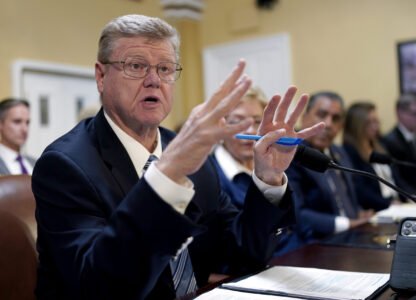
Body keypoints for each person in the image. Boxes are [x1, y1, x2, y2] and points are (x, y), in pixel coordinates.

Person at [32, 14, 324, 300]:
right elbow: (100, 288)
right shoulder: (65, 165)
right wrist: (167, 175)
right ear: (101, 76)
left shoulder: (190, 152)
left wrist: (268, 177)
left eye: (165, 68)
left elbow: (244, 251)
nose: (153, 80)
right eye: (136, 66)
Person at [286, 91, 373, 241]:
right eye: (322, 114)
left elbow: (346, 197)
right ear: (305, 117)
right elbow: (296, 212)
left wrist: (358, 212)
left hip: (351, 234)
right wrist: (347, 223)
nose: (328, 124)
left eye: (336, 118)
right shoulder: (290, 153)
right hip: (316, 241)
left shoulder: (339, 151)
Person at [343, 102, 400, 210]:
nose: (375, 126)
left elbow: (396, 178)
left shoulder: (380, 145)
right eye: (369, 122)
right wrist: (388, 204)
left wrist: (407, 197)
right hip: (378, 209)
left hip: (397, 205)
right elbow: (361, 191)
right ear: (357, 125)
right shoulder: (349, 151)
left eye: (376, 121)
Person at [381, 94, 416, 195]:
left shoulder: (412, 136)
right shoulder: (389, 141)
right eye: (414, 113)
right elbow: (398, 178)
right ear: (400, 113)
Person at [0, 98, 36, 175]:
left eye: (27, 122)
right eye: (17, 122)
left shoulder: (35, 163)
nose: (25, 129)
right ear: (1, 124)